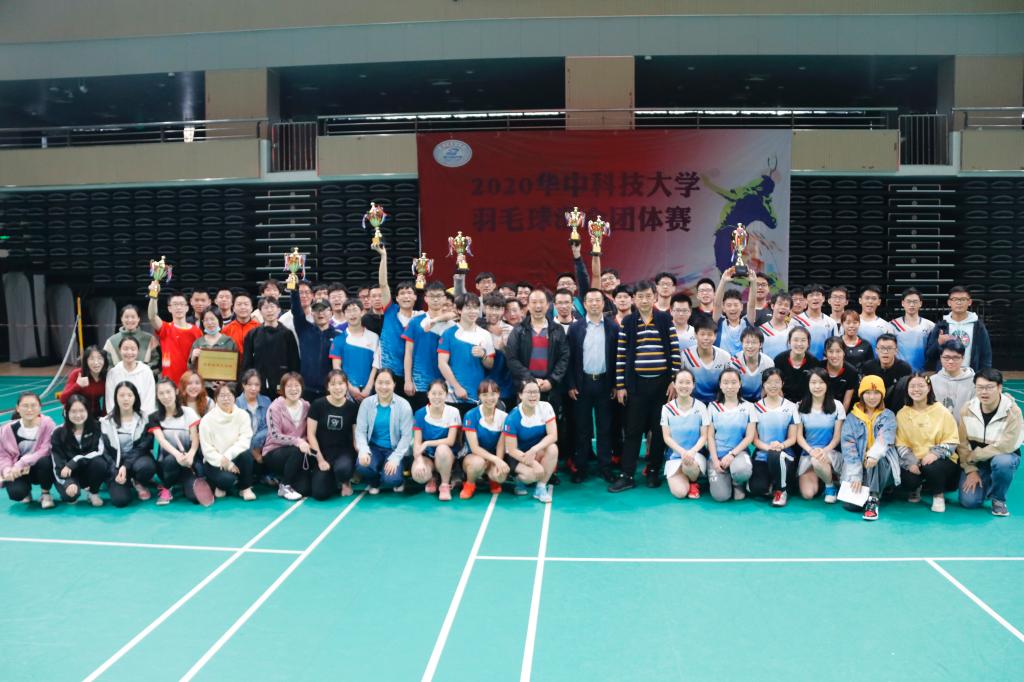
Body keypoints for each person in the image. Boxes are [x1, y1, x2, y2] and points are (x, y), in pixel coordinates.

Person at [611, 280, 679, 491]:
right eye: (640, 297)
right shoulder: (628, 322)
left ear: (654, 296)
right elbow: (621, 355)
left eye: (648, 296)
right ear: (634, 299)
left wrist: (674, 380)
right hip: (636, 386)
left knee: (658, 431)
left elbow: (675, 350)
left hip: (662, 385)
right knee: (633, 431)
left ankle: (653, 471)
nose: (644, 300)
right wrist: (621, 385)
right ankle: (627, 475)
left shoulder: (665, 319)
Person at [566, 288, 619, 483]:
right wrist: (571, 384)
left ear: (603, 303)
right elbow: (569, 359)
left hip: (605, 383)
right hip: (582, 384)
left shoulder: (613, 327)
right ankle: (581, 468)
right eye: (591, 301)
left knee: (605, 428)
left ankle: (605, 467)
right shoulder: (575, 328)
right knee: (582, 428)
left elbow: (618, 358)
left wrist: (616, 384)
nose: (595, 304)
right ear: (584, 304)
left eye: (598, 300)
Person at [958, 369, 1023, 516]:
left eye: (989, 387)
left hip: (1003, 455)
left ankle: (998, 499)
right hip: (977, 462)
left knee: (1003, 463)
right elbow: (962, 443)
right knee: (969, 502)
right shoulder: (967, 409)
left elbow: (1007, 445)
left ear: (999, 387)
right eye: (980, 387)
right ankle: (987, 481)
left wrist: (975, 455)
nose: (984, 392)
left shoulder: (1013, 411)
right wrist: (970, 469)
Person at [896, 373, 961, 513]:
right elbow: (900, 443)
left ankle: (938, 495)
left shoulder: (942, 411)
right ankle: (916, 488)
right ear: (907, 389)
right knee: (908, 479)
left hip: (938, 460)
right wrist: (911, 462)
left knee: (931, 467)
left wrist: (935, 454)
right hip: (914, 459)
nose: (916, 389)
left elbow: (952, 440)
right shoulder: (902, 414)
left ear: (929, 388)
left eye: (921, 385)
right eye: (912, 386)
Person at [841, 375, 898, 521]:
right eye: (867, 392)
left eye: (876, 393)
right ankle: (872, 489)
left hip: (882, 464)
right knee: (851, 506)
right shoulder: (851, 418)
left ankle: (873, 499)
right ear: (861, 394)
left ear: (882, 395)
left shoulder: (888, 415)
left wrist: (874, 454)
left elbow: (885, 438)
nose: (872, 397)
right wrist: (855, 474)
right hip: (860, 465)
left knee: (875, 458)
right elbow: (848, 447)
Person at [148, 377, 213, 506]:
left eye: (168, 392)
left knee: (194, 498)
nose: (166, 396)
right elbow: (161, 440)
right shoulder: (154, 417)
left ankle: (183, 483)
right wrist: (177, 455)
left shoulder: (188, 413)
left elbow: (195, 438)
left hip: (188, 463)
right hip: (167, 464)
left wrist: (191, 454)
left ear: (176, 391)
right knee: (171, 460)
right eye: (161, 393)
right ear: (157, 396)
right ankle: (167, 488)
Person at [355, 369, 414, 494]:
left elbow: (406, 436)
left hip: (394, 449)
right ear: (375, 383)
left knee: (392, 479)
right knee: (362, 464)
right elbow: (360, 431)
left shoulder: (404, 405)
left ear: (394, 384)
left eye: (387, 383)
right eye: (380, 382)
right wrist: (363, 450)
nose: (383, 387)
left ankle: (397, 479)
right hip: (374, 448)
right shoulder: (366, 404)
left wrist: (395, 458)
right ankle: (374, 481)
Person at [747, 368, 801, 506]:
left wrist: (781, 446)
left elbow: (793, 438)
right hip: (762, 455)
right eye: (769, 382)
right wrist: (769, 447)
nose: (773, 385)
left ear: (782, 383)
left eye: (777, 382)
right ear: (763, 384)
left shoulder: (791, 407)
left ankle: (781, 491)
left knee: (775, 455)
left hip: (784, 456)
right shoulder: (755, 408)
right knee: (756, 488)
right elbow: (755, 440)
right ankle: (772, 483)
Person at [100, 381, 157, 507]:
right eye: (121, 395)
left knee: (147, 466)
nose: (126, 399)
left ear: (135, 397)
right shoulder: (106, 422)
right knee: (121, 500)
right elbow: (104, 451)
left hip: (136, 460)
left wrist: (126, 465)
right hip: (116, 465)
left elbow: (143, 447)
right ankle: (121, 481)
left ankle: (138, 481)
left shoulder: (145, 419)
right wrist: (114, 471)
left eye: (130, 395)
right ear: (116, 398)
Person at [438, 293, 495, 416]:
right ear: (459, 310)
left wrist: (483, 355)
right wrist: (457, 387)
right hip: (454, 395)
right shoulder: (448, 333)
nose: (472, 311)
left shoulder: (485, 334)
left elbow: (490, 364)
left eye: (475, 308)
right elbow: (442, 363)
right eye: (468, 307)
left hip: (478, 395)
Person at [404, 282, 457, 412]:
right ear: (426, 298)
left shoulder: (452, 325)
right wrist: (408, 380)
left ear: (445, 298)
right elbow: (408, 353)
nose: (435, 299)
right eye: (432, 296)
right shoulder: (415, 322)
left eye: (439, 296)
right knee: (420, 417)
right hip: (420, 382)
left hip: (445, 384)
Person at [503, 378, 558, 503]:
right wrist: (534, 464)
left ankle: (540, 488)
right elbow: (512, 450)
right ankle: (518, 480)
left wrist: (534, 449)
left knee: (553, 448)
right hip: (517, 456)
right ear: (520, 395)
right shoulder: (512, 418)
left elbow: (553, 436)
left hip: (535, 451)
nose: (533, 395)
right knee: (530, 476)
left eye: (536, 392)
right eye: (529, 392)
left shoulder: (546, 407)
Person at [306, 370, 359, 500]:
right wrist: (320, 460)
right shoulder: (317, 405)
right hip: (323, 453)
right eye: (333, 384)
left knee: (342, 470)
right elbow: (311, 435)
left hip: (344, 453)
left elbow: (356, 437)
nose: (337, 388)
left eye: (341, 383)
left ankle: (345, 481)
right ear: (328, 387)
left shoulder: (352, 408)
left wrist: (360, 452)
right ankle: (332, 479)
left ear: (346, 386)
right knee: (320, 494)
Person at [796, 368, 846, 503]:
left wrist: (825, 450)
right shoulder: (800, 407)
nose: (817, 386)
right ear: (808, 385)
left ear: (827, 384)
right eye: (813, 382)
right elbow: (799, 437)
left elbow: (837, 437)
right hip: (809, 453)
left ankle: (830, 487)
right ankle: (826, 477)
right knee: (808, 494)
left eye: (821, 382)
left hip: (830, 452)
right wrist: (811, 450)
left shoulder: (837, 406)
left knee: (817, 460)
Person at [0, 392, 57, 508]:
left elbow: (45, 450)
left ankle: (45, 493)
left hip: (39, 467)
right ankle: (26, 491)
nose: (29, 409)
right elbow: (3, 455)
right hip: (19, 470)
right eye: (25, 406)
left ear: (40, 407)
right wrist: (7, 470)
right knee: (16, 493)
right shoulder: (7, 429)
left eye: (33, 405)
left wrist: (21, 463)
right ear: (17, 408)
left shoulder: (48, 424)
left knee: (45, 461)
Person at [200, 383, 256, 500]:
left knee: (246, 455)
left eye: (229, 395)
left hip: (234, 457)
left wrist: (228, 456)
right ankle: (221, 485)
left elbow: (245, 440)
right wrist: (225, 462)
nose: (226, 398)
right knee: (227, 480)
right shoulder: (207, 420)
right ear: (216, 399)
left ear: (234, 397)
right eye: (222, 396)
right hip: (215, 461)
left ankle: (245, 488)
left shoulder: (243, 415)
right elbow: (207, 450)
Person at [660, 369, 711, 500]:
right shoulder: (667, 409)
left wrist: (692, 452)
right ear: (674, 384)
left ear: (693, 385)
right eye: (680, 382)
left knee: (689, 465)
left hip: (695, 455)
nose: (684, 386)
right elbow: (666, 437)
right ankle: (684, 476)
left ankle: (693, 481)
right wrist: (682, 452)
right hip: (676, 455)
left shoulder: (701, 407)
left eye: (688, 382)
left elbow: (704, 436)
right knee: (680, 493)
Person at [706, 369, 755, 502]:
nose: (730, 386)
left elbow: (749, 437)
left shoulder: (749, 407)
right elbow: (710, 436)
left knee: (742, 470)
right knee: (721, 496)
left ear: (740, 384)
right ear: (720, 385)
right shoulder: (712, 407)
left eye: (734, 382)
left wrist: (732, 454)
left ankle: (737, 483)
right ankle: (725, 475)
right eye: (726, 382)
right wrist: (715, 460)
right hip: (717, 455)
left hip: (738, 453)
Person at [50, 394, 108, 507]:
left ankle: (93, 493)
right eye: (73, 411)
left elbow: (99, 452)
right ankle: (71, 487)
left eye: (82, 411)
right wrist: (68, 482)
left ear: (88, 411)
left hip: (87, 471)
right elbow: (57, 463)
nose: (78, 415)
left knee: (100, 463)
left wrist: (75, 461)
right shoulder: (57, 433)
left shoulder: (97, 427)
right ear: (66, 412)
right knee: (71, 498)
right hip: (68, 475)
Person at [261, 372, 311, 501]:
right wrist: (298, 441)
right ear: (283, 389)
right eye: (289, 386)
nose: (293, 389)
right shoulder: (275, 408)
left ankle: (281, 478)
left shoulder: (306, 406)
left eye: (297, 385)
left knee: (305, 490)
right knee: (297, 450)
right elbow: (275, 435)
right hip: (274, 452)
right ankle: (285, 485)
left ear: (302, 387)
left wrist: (304, 443)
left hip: (298, 454)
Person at [411, 379, 462, 501]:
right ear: (428, 394)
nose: (437, 397)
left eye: (440, 393)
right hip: (428, 456)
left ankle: (444, 484)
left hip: (446, 456)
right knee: (419, 475)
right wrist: (419, 461)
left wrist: (427, 443)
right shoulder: (420, 414)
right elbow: (417, 444)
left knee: (442, 449)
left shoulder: (453, 412)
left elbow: (450, 441)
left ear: (446, 395)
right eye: (433, 393)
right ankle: (432, 478)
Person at [242, 296, 300, 398]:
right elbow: (247, 362)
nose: (269, 310)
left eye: (272, 307)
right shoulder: (253, 334)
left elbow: (294, 362)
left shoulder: (287, 334)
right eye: (265, 307)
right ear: (260, 311)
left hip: (281, 381)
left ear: (279, 310)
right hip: (258, 382)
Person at [925, 285, 992, 372]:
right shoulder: (941, 326)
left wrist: (984, 375)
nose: (959, 302)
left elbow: (986, 355)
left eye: (963, 299)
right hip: (945, 375)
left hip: (970, 375)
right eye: (955, 299)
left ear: (970, 302)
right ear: (949, 302)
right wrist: (938, 343)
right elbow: (929, 355)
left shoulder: (978, 326)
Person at [461, 379, 509, 498]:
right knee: (478, 463)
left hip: (492, 458)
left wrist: (498, 462)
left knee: (501, 476)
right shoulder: (471, 415)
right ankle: (470, 484)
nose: (489, 398)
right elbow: (475, 448)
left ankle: (492, 480)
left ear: (498, 395)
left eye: (493, 394)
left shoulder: (504, 417)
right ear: (479, 396)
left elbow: (500, 445)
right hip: (473, 457)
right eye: (485, 395)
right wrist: (496, 460)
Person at [290, 285, 339, 401]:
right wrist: (294, 291)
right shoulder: (304, 328)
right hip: (306, 388)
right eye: (317, 310)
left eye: (324, 309)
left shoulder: (338, 336)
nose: (320, 313)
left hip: (329, 390)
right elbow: (297, 311)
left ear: (331, 313)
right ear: (312, 313)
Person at [329, 300, 381, 402]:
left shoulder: (374, 337)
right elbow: (337, 367)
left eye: (355, 310)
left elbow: (376, 365)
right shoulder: (338, 339)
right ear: (344, 315)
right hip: (346, 391)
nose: (352, 314)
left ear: (362, 312)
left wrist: (369, 387)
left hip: (370, 390)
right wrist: (349, 387)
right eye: (348, 311)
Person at [148, 286, 201, 383]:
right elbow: (152, 316)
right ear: (169, 308)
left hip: (190, 383)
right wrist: (154, 293)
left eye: (181, 304)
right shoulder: (165, 328)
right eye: (175, 304)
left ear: (187, 308)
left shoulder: (196, 331)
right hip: (169, 384)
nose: (179, 307)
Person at [681, 318, 732, 404]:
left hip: (718, 403)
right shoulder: (685, 355)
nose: (706, 338)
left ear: (715, 336)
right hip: (692, 402)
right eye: (702, 334)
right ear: (695, 335)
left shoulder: (725, 357)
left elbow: (729, 383)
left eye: (709, 334)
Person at [712, 267, 758, 356]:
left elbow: (752, 305)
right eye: (729, 305)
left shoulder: (747, 322)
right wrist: (723, 280)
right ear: (723, 308)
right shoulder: (719, 321)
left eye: (736, 305)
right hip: (723, 363)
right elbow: (717, 304)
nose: (733, 308)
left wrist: (753, 282)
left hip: (743, 363)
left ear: (741, 307)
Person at [188, 309, 238, 390]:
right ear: (202, 322)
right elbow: (190, 370)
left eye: (212, 319)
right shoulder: (198, 343)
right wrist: (192, 358)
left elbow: (236, 368)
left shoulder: (229, 342)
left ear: (219, 320)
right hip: (202, 388)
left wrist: (225, 381)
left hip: (224, 389)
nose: (209, 322)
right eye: (206, 320)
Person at [105, 336, 156, 415]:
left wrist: (142, 418)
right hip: (118, 418)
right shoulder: (113, 373)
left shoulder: (146, 372)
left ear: (138, 351)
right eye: (125, 349)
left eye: (133, 349)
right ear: (119, 350)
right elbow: (110, 401)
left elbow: (149, 399)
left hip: (142, 418)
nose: (129, 352)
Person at [481, 293, 515, 408]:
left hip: (505, 387)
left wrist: (504, 349)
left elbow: (515, 359)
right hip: (482, 385)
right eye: (491, 308)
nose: (494, 312)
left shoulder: (510, 330)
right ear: (484, 308)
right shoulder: (477, 328)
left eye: (498, 309)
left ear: (503, 311)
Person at [860, 333, 911, 410]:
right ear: (876, 350)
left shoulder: (904, 368)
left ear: (896, 351)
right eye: (882, 348)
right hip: (873, 407)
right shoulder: (868, 367)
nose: (885, 352)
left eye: (889, 348)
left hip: (897, 407)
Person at [103, 304, 160, 374]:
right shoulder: (111, 341)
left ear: (138, 319)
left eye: (133, 317)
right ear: (121, 319)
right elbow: (108, 365)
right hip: (119, 378)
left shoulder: (150, 339)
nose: (130, 320)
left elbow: (156, 361)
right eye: (126, 317)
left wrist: (142, 371)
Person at [236, 369, 271, 481]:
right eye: (249, 384)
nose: (253, 388)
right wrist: (254, 453)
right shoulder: (236, 404)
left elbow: (269, 427)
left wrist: (257, 444)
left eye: (257, 385)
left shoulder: (266, 401)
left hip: (261, 444)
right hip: (244, 446)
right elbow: (238, 434)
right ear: (243, 385)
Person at [891, 288, 934, 372]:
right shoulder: (892, 325)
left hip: (922, 372)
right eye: (908, 301)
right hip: (899, 372)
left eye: (915, 301)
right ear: (903, 303)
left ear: (920, 303)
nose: (911, 304)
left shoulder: (930, 326)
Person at [931, 339, 976, 419]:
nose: (951, 361)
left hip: (964, 425)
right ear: (940, 358)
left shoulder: (974, 382)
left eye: (955, 358)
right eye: (946, 357)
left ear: (963, 358)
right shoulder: (932, 381)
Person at [774, 327, 820, 403]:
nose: (799, 344)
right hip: (783, 401)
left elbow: (816, 386)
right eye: (795, 340)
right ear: (789, 341)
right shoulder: (779, 360)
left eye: (803, 340)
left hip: (806, 402)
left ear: (808, 343)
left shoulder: (814, 362)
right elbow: (775, 383)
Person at [60, 344, 108, 417]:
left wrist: (105, 418)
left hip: (94, 413)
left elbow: (106, 402)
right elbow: (63, 399)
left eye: (99, 358)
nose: (96, 362)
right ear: (86, 361)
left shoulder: (106, 377)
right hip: (75, 414)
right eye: (91, 359)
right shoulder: (77, 374)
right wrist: (77, 386)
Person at [793, 284, 838, 359]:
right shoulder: (796, 321)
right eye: (811, 295)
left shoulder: (831, 323)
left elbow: (835, 346)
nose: (815, 298)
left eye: (818, 295)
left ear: (823, 298)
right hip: (801, 362)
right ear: (805, 300)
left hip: (823, 364)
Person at [823, 337, 858, 412]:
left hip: (841, 411)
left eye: (838, 351)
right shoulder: (819, 368)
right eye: (830, 351)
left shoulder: (852, 372)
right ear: (825, 353)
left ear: (844, 352)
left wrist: (840, 417)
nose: (834, 355)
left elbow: (846, 401)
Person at [758, 292, 796, 359]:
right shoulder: (762, 330)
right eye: (780, 304)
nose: (783, 307)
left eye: (786, 305)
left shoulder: (793, 330)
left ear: (790, 310)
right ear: (772, 306)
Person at [222, 292, 259, 356]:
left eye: (246, 304)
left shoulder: (259, 328)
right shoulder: (226, 329)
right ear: (233, 308)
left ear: (251, 308)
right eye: (239, 304)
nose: (243, 307)